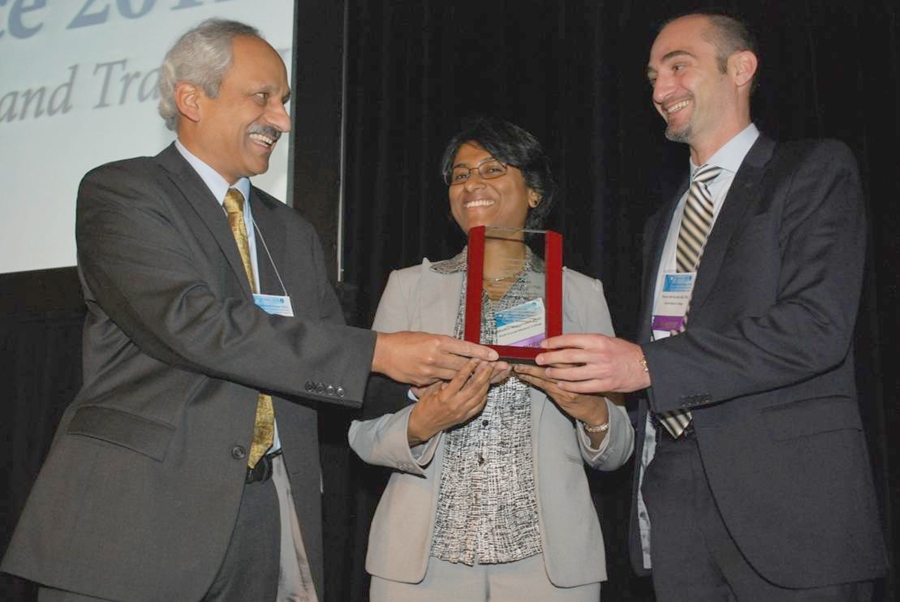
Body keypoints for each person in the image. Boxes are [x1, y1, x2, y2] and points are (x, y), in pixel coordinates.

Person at [0, 19, 500, 602]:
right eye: (262, 97)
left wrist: (435, 379)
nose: (283, 121)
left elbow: (327, 367)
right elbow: (193, 323)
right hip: (134, 523)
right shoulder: (124, 192)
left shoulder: (291, 231)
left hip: (264, 524)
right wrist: (385, 350)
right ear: (192, 98)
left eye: (284, 102)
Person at [534, 12, 887, 601]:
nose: (659, 90)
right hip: (675, 501)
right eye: (651, 76)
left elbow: (815, 327)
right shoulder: (661, 219)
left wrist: (647, 367)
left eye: (678, 67)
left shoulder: (813, 170)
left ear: (741, 68)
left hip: (792, 509)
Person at [348, 117, 634, 602]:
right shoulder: (410, 288)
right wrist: (423, 421)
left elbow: (620, 446)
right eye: (460, 175)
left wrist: (592, 413)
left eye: (492, 169)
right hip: (421, 565)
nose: (472, 184)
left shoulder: (580, 295)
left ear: (535, 192)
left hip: (549, 567)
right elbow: (362, 433)